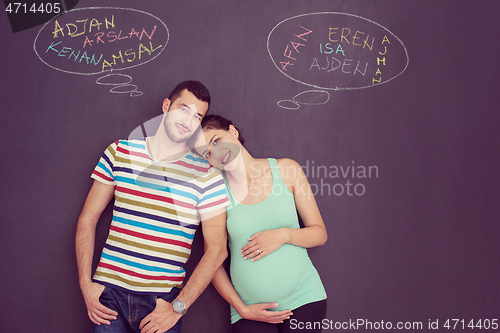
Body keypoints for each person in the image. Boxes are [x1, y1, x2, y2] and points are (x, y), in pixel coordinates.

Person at [75, 81, 230, 333]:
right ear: (166, 106)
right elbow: (88, 219)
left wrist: (178, 307)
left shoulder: (207, 175)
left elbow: (217, 249)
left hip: (162, 303)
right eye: (183, 109)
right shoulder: (120, 152)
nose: (188, 120)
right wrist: (86, 284)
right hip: (109, 297)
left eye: (197, 116)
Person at [194, 115, 328, 333]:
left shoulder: (287, 170)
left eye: (217, 140)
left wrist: (284, 235)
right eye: (208, 153)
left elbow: (319, 234)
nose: (216, 153)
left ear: (233, 132)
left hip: (305, 299)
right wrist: (241, 308)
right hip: (249, 311)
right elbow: (212, 262)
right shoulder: (215, 193)